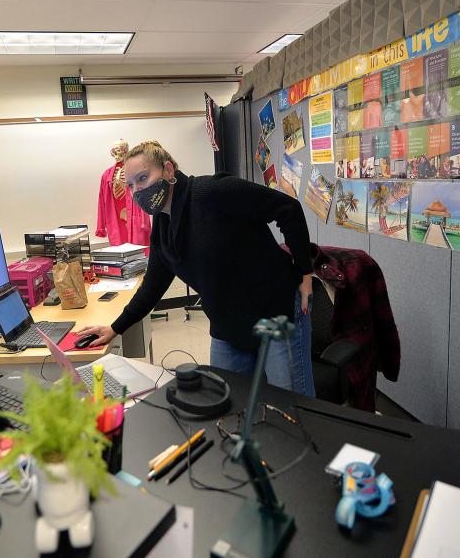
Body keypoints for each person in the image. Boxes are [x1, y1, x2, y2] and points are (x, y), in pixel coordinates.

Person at [76, 141, 315, 396]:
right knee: (230, 406)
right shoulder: (163, 225)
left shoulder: (212, 192)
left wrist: (304, 272)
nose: (138, 191)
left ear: (168, 170)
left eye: (144, 178)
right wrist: (115, 328)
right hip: (228, 327)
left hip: (274, 312)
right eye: (131, 185)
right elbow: (154, 285)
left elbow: (288, 209)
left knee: (292, 409)